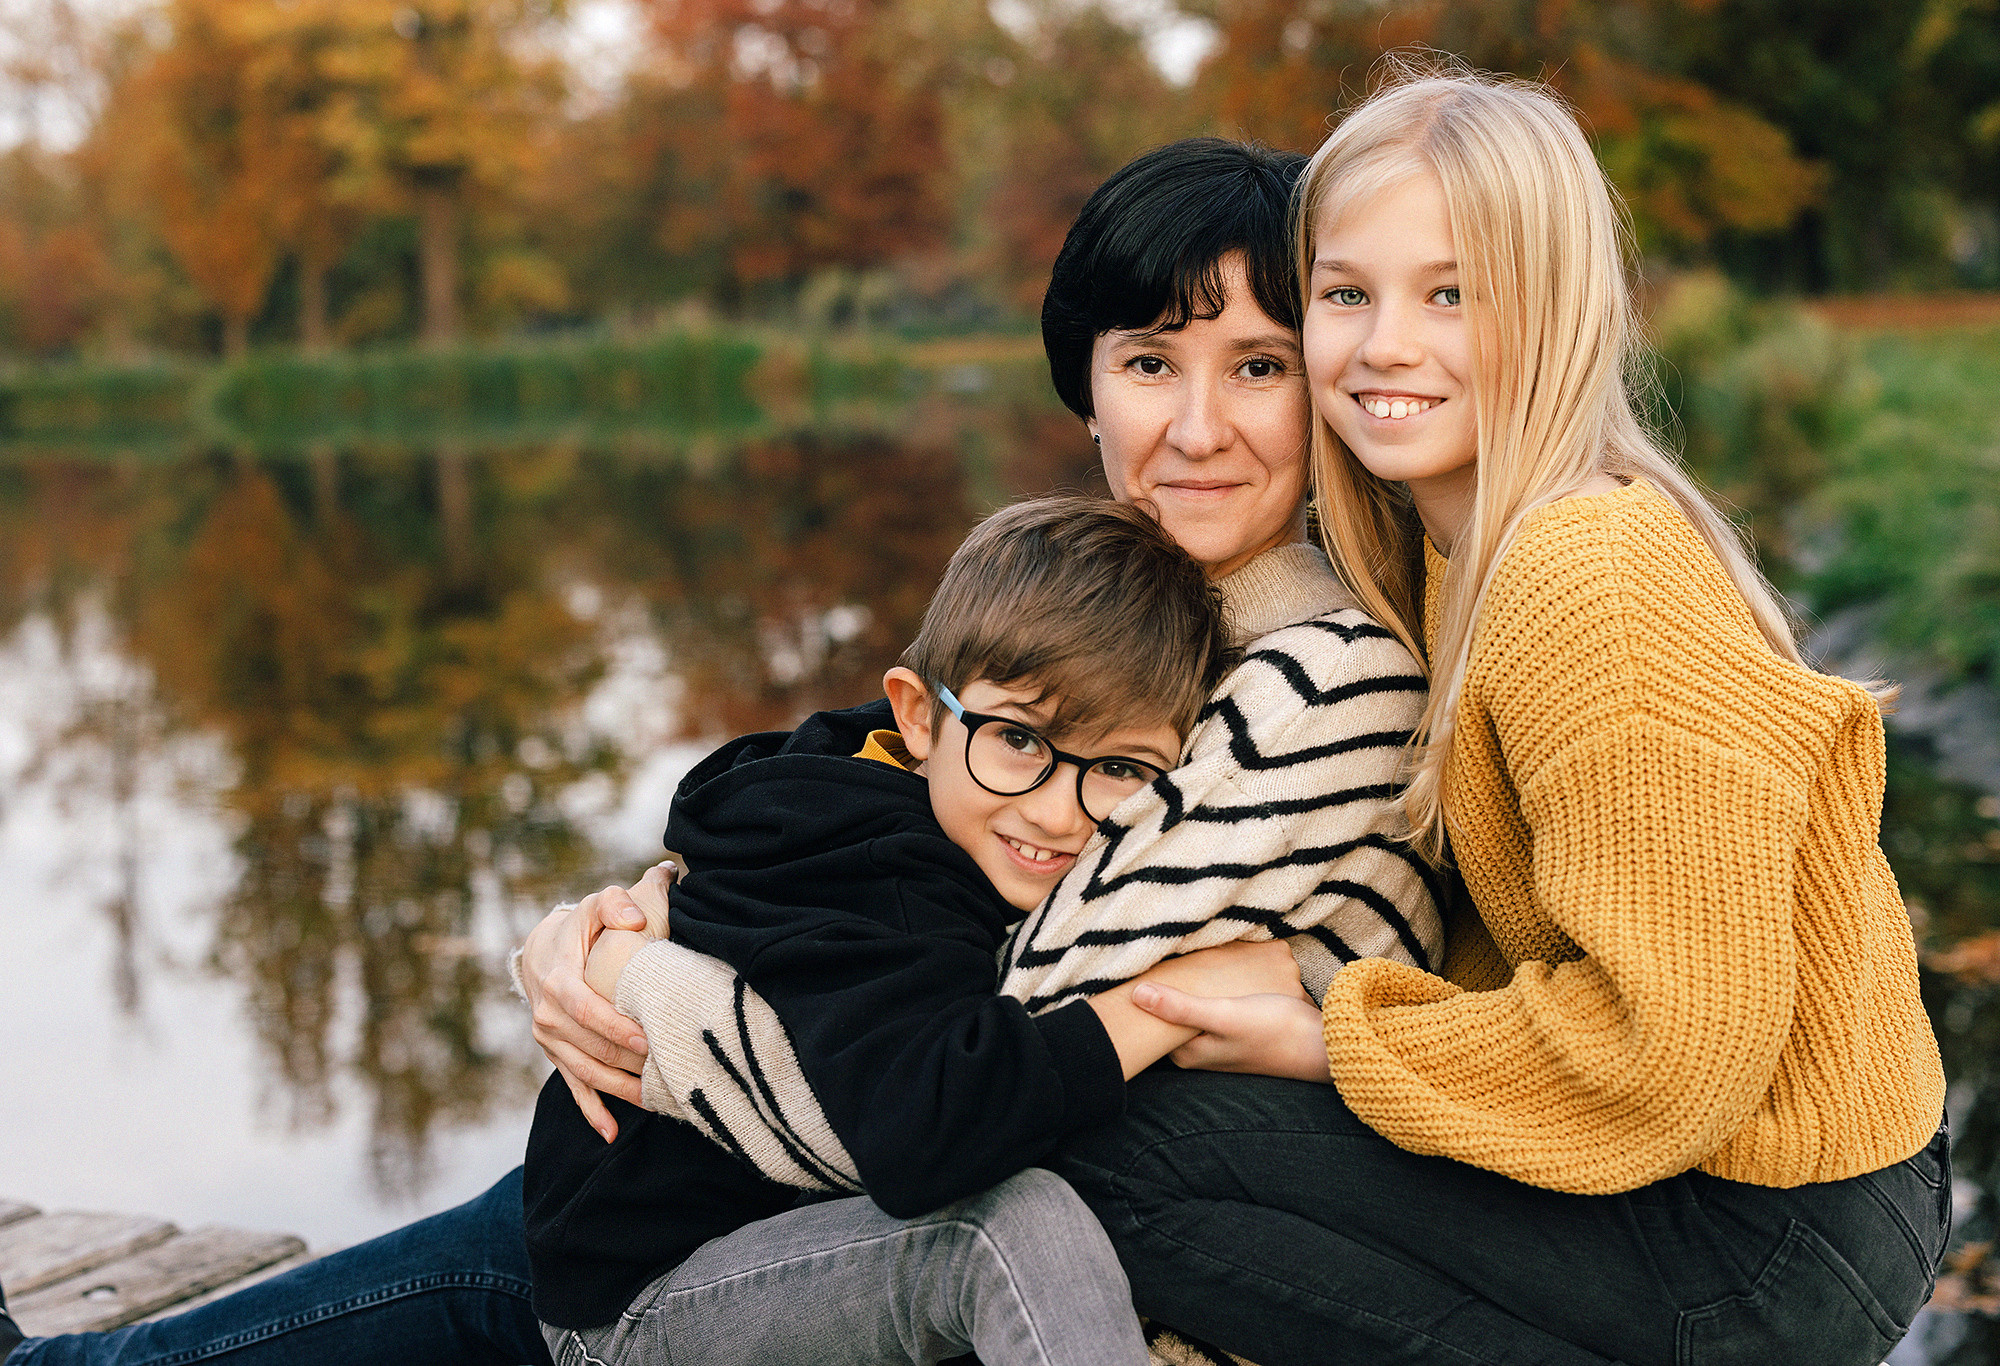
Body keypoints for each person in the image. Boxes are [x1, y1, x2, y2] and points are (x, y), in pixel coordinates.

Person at [1, 134, 1435, 1366]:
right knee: (439, 1283)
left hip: (831, 1206)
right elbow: (857, 767)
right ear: (1087, 387)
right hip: (742, 1206)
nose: (1195, 427)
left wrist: (648, 980)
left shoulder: (1311, 676)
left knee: (501, 1274)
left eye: (1258, 364)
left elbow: (975, 1055)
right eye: (1145, 362)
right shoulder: (1115, 596)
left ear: (1331, 383)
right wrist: (664, 896)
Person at [1044, 66, 1950, 1366]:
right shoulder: (1439, 545)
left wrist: (1321, 1030)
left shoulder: (1590, 579)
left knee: (1124, 1161)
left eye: (1452, 293)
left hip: (1770, 1230)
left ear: (1556, 305)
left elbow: (1671, 1051)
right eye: (1347, 293)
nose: (1385, 344)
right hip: (1739, 1180)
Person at [527, 492, 1251, 1366]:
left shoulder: (928, 802)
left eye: (1122, 767)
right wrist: (1171, 1005)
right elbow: (928, 1136)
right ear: (916, 714)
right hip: (644, 1308)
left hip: (795, 1239)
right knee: (1005, 1232)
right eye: (1018, 740)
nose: (1060, 813)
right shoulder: (869, 864)